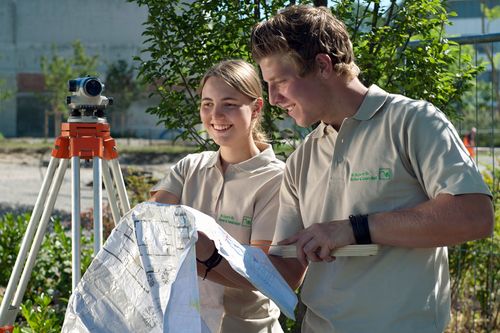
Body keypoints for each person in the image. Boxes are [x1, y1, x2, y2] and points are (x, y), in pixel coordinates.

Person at [250, 5, 494, 333]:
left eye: (280, 81)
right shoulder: (303, 157)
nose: (273, 98)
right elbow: (287, 266)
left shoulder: (412, 121)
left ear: (322, 65)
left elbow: (474, 215)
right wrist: (209, 258)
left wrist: (355, 228)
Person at [149, 60, 285, 333]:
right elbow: (151, 227)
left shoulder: (276, 179)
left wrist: (199, 257)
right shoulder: (189, 168)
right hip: (185, 324)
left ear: (256, 108)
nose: (216, 115)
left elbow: (261, 273)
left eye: (229, 104)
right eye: (207, 103)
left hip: (246, 327)